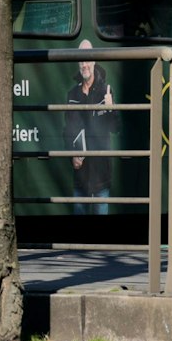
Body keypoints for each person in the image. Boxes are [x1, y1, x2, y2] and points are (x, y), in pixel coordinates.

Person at [63, 42, 117, 216]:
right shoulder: (72, 95)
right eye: (81, 61)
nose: (84, 65)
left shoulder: (106, 92)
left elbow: (116, 127)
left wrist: (111, 108)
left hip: (101, 174)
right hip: (81, 176)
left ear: (94, 61)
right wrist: (72, 155)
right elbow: (67, 132)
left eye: (87, 60)